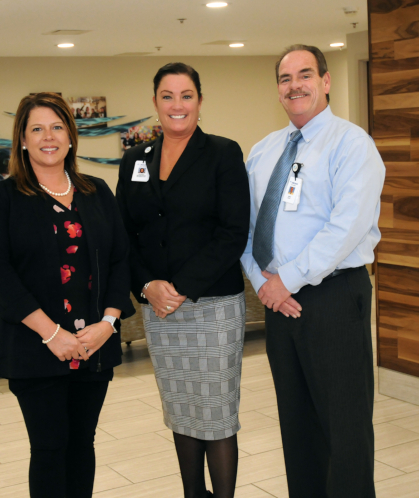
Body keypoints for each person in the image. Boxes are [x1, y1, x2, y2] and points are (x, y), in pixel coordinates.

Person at [240, 45, 385, 498]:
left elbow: (346, 226)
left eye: (305, 75)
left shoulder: (352, 144)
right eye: (285, 78)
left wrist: (288, 279)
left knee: (346, 427)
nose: (294, 85)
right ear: (278, 90)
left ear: (325, 81)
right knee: (297, 424)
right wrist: (264, 284)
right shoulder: (263, 152)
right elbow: (243, 229)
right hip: (279, 302)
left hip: (335, 296)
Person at [0, 92, 134, 498]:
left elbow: (120, 260)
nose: (49, 137)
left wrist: (108, 323)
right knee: (49, 447)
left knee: (83, 444)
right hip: (36, 347)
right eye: (37, 129)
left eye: (57, 127)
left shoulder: (97, 191)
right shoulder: (2, 198)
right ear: (23, 141)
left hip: (93, 344)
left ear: (70, 136)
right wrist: (51, 334)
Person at [116, 62, 250, 498]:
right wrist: (148, 286)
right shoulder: (136, 159)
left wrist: (180, 287)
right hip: (158, 309)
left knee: (215, 412)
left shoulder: (222, 153)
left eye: (186, 95)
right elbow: (124, 233)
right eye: (168, 96)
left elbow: (234, 232)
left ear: (199, 100)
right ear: (155, 103)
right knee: (180, 409)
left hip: (212, 306)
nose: (177, 105)